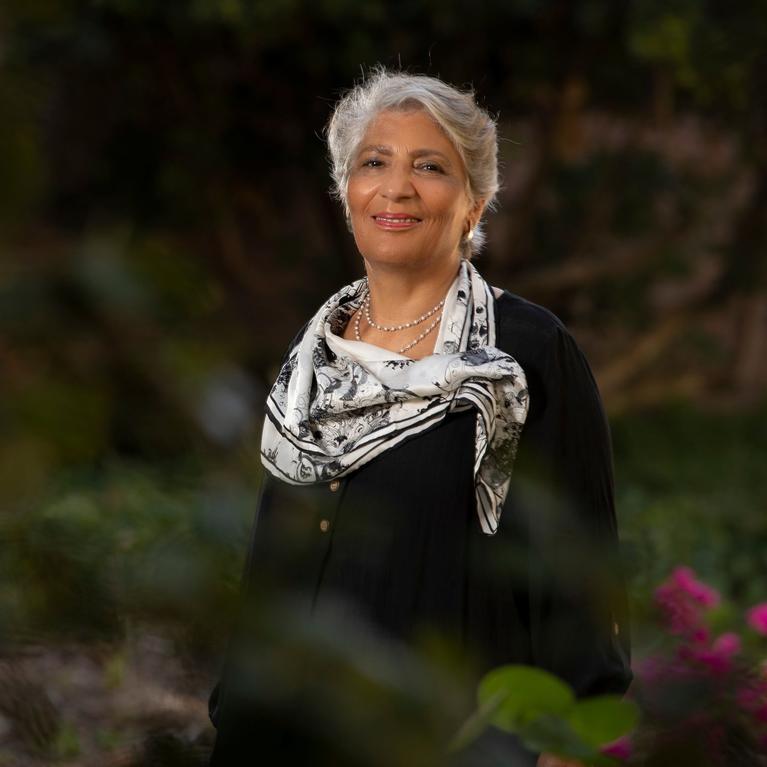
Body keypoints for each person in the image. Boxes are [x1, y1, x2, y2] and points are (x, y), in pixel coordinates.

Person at [207, 67, 632, 767]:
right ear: (347, 191)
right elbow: (270, 566)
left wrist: (570, 743)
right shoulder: (313, 353)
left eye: (429, 166)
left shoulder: (525, 353)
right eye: (374, 162)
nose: (396, 187)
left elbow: (580, 576)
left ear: (474, 203)